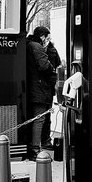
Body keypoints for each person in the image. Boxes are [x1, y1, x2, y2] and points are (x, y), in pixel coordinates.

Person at [26, 26, 56, 160]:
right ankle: (34, 149)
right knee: (40, 119)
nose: (48, 40)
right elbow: (44, 65)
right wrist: (52, 67)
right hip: (39, 88)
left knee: (37, 119)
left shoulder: (28, 45)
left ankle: (34, 147)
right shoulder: (36, 46)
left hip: (32, 88)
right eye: (47, 37)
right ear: (42, 36)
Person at [41, 38, 61, 150]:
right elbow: (57, 65)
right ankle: (46, 140)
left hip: (45, 86)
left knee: (45, 115)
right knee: (46, 115)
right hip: (48, 86)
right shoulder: (52, 50)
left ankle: (45, 140)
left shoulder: (49, 51)